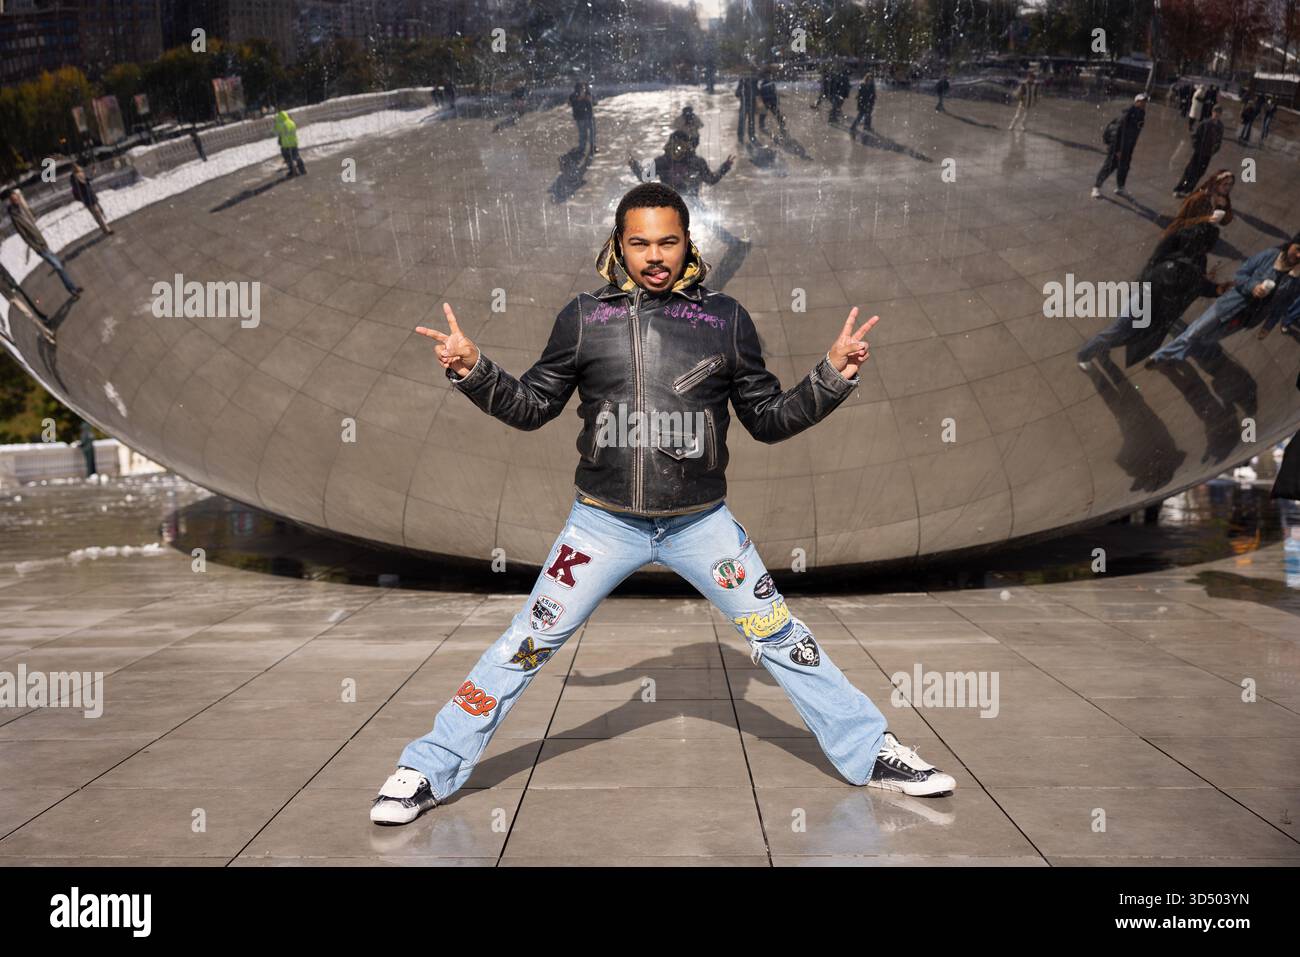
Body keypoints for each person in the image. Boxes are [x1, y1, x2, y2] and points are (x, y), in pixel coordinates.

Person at [369, 182, 957, 825]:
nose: (655, 256)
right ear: (617, 246)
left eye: (668, 241)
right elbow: (533, 407)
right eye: (640, 242)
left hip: (701, 525)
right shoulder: (583, 318)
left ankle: (872, 753)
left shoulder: (725, 319)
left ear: (688, 244)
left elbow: (766, 418)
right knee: (524, 644)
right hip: (600, 524)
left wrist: (832, 374)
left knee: (783, 638)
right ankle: (427, 767)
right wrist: (473, 367)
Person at [1076, 221, 1225, 368]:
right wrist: (1203, 283)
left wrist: (1210, 285)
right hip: (1146, 298)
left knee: (1126, 333)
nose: (1207, 251)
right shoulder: (1176, 252)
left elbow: (1195, 283)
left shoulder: (1196, 257)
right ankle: (1085, 354)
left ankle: (1098, 348)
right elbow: (1183, 281)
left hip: (1157, 305)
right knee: (1118, 331)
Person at [1148, 236, 1300, 363]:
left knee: (1208, 339)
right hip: (1230, 304)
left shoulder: (1296, 277)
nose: (1299, 256)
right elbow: (1241, 274)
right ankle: (1159, 356)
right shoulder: (1270, 255)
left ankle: (1180, 353)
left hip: (1246, 317)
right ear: (1291, 244)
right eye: (1298, 249)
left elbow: (1282, 305)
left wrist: (1268, 326)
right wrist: (1253, 286)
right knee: (1196, 330)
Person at [5, 189, 81, 299]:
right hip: (38, 246)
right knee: (58, 267)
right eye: (15, 199)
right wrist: (36, 247)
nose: (18, 200)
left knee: (59, 266)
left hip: (42, 241)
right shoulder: (15, 216)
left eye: (18, 198)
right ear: (12, 201)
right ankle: (72, 290)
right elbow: (24, 236)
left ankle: (72, 288)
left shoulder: (22, 209)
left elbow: (32, 217)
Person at [628, 131, 734, 198]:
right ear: (669, 146)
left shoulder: (696, 162)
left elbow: (711, 180)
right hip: (670, 203)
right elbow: (645, 178)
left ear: (687, 147)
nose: (677, 152)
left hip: (690, 203)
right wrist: (635, 166)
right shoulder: (661, 162)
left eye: (680, 147)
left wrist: (725, 166)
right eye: (674, 146)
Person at [1091, 93, 1147, 199]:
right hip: (1118, 147)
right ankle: (1096, 187)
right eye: (1142, 101)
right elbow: (1117, 132)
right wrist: (1117, 149)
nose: (1144, 103)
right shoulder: (1128, 113)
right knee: (1109, 166)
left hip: (1128, 147)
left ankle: (1121, 187)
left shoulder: (1141, 114)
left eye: (1145, 101)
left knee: (1124, 167)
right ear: (1136, 102)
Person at [1174, 105, 1224, 197]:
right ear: (1212, 112)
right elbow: (1195, 136)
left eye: (1219, 113)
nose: (1216, 114)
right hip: (1199, 152)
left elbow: (1219, 141)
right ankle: (1180, 188)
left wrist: (1214, 150)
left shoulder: (1220, 126)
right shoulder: (1205, 123)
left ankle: (1189, 189)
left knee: (1199, 173)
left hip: (1208, 154)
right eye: (1215, 112)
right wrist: (1197, 147)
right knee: (1190, 171)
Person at [0, 260, 55, 343]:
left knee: (30, 312)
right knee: (29, 315)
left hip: (14, 292)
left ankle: (46, 331)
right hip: (11, 297)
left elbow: (5, 273)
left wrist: (13, 286)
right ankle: (46, 332)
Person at [70, 163, 112, 236]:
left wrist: (92, 173)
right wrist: (92, 172)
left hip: (88, 198)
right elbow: (86, 180)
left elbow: (87, 180)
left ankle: (105, 229)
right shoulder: (77, 176)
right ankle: (106, 230)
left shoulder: (74, 177)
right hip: (88, 198)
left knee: (97, 214)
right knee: (97, 214)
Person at [274, 109, 306, 177]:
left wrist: (276, 122)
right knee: (297, 156)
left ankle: (292, 171)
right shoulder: (291, 122)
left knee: (288, 158)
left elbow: (274, 131)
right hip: (294, 143)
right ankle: (302, 170)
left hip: (286, 145)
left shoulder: (281, 124)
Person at [756, 67, 786, 138]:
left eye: (769, 75)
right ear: (765, 76)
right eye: (767, 75)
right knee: (763, 114)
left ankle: (782, 128)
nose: (769, 76)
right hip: (767, 102)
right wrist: (766, 102)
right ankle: (761, 126)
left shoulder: (771, 83)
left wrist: (777, 101)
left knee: (778, 115)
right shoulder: (764, 83)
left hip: (772, 102)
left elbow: (774, 92)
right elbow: (762, 93)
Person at [569, 82, 596, 157]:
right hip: (580, 117)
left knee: (592, 133)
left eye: (584, 88)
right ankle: (582, 149)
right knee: (582, 134)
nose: (583, 90)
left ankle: (592, 147)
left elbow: (594, 102)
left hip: (589, 116)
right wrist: (579, 99)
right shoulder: (574, 95)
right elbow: (570, 103)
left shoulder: (588, 93)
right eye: (582, 88)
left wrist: (590, 99)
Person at [735, 69, 758, 142]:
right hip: (746, 105)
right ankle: (743, 135)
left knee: (749, 121)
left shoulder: (752, 83)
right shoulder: (742, 83)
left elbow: (757, 93)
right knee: (745, 121)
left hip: (748, 105)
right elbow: (737, 94)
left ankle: (748, 135)